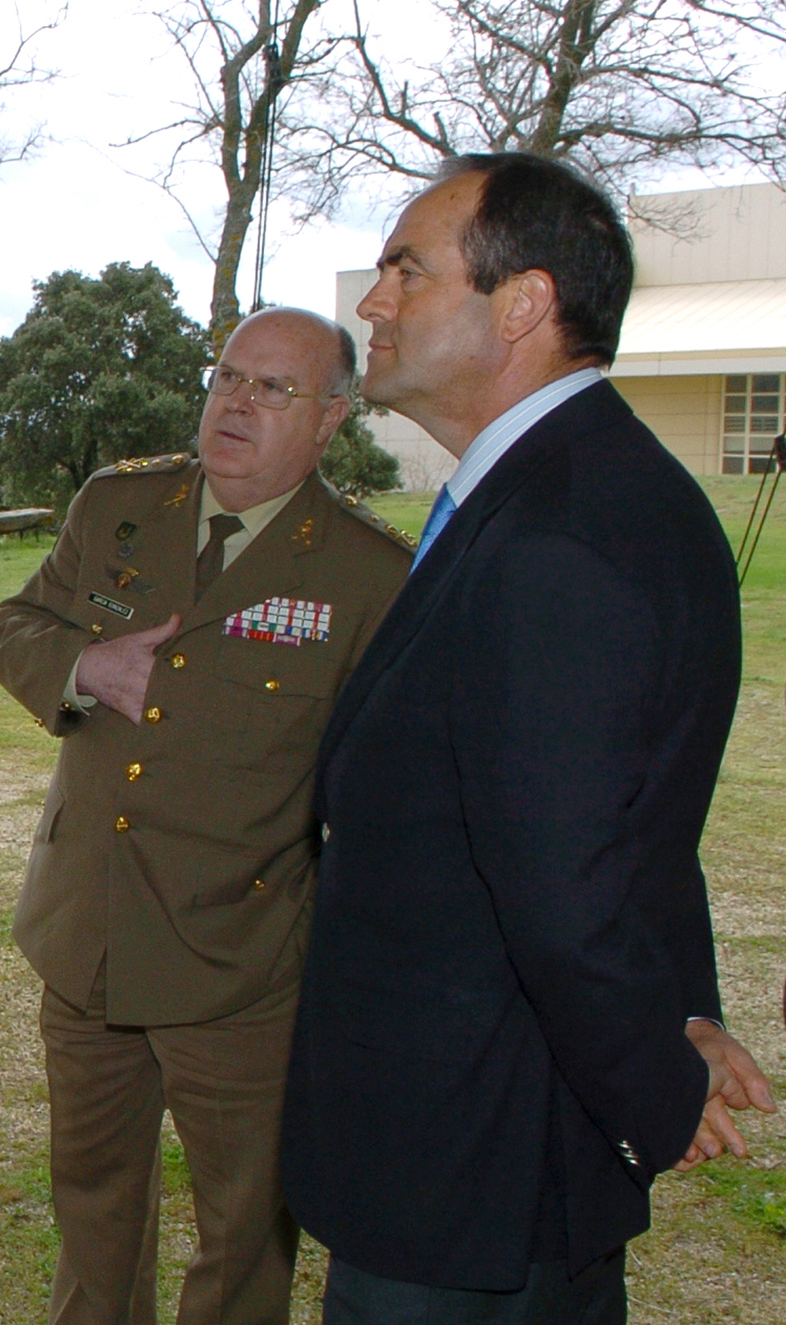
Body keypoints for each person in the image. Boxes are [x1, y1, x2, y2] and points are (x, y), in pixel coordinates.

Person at [283, 152, 778, 1324]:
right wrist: (679, 1013)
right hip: (474, 1147)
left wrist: (651, 1079)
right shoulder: (559, 491)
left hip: (472, 1163)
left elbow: (563, 881)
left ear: (521, 304)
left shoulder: (560, 532)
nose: (371, 302)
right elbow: (622, 816)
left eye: (407, 268)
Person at [0, 306, 414, 1324]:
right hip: (84, 935)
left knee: (243, 1227)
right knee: (92, 1203)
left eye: (274, 389)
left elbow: (385, 791)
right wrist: (81, 664)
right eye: (228, 376)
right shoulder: (119, 507)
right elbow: (18, 622)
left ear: (330, 420)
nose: (236, 402)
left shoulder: (368, 573)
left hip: (240, 958)